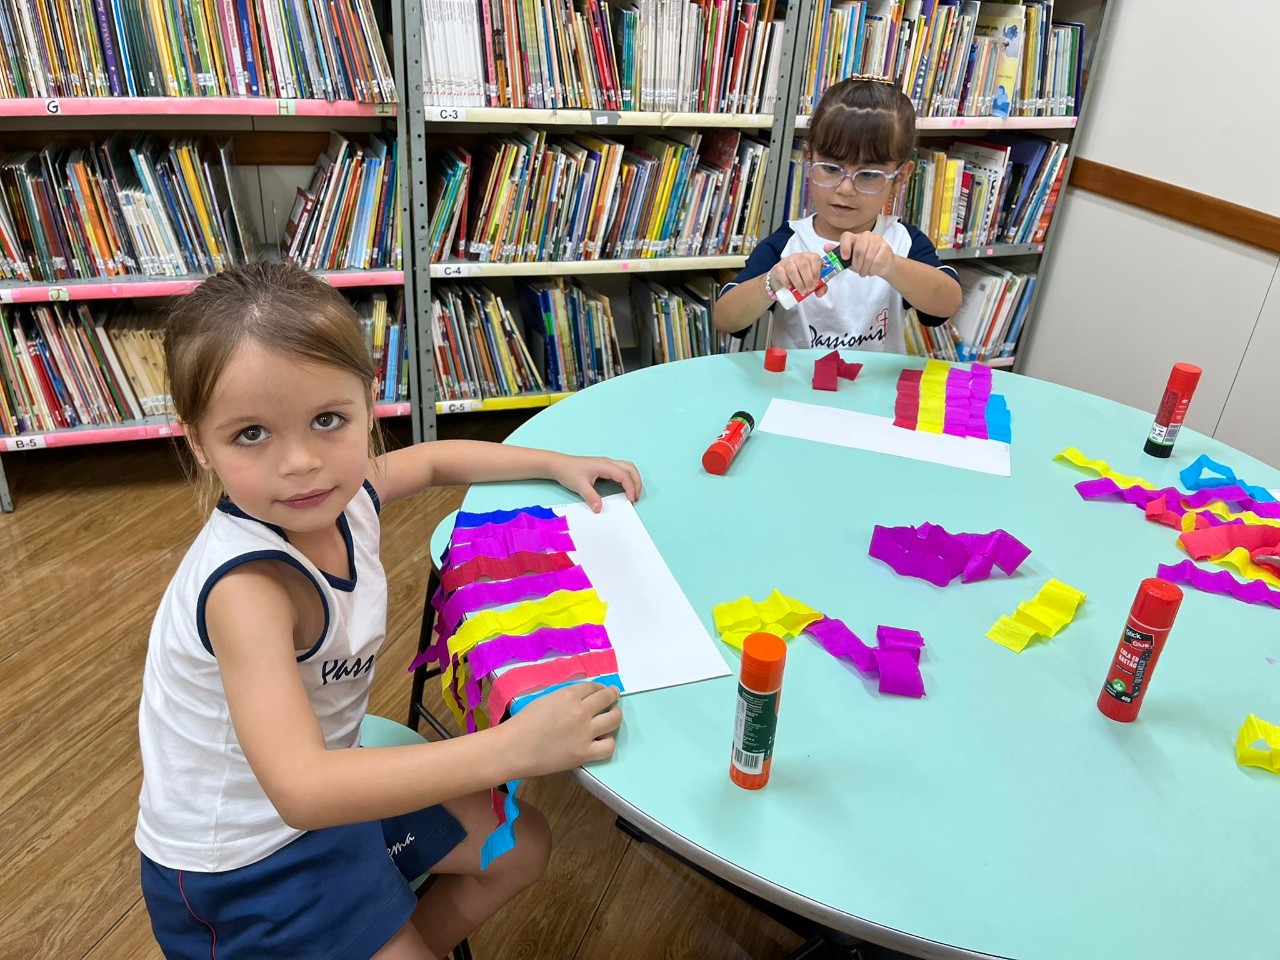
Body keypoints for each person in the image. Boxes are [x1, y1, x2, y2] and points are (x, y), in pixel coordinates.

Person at [136, 262, 638, 959]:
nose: (301, 462)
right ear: (198, 442)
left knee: (519, 846)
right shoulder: (247, 590)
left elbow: (431, 462)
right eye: (251, 434)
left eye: (328, 420)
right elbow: (302, 791)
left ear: (368, 405)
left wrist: (553, 462)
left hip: (335, 789)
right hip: (246, 864)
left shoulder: (347, 495)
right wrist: (512, 748)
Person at [713, 77, 963, 353]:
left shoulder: (902, 241)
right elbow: (726, 321)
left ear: (900, 177)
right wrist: (771, 284)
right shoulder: (788, 243)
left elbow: (946, 304)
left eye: (868, 174)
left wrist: (891, 266)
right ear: (809, 159)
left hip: (875, 382)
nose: (845, 189)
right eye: (831, 169)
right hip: (800, 380)